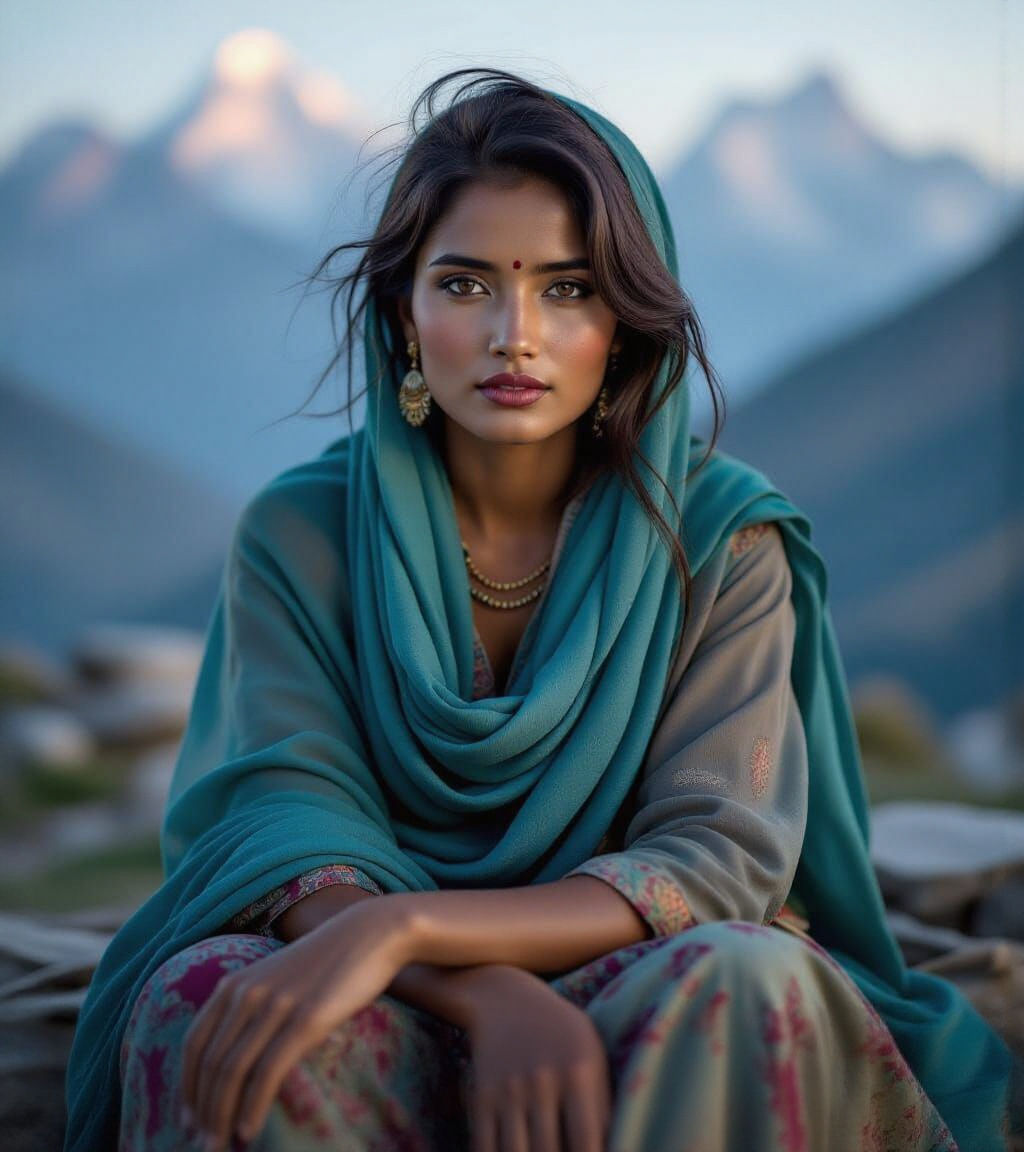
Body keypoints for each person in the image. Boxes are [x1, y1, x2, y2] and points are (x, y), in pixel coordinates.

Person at [63, 69, 1011, 1152]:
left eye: (567, 289)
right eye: (465, 284)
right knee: (211, 999)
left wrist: (410, 922)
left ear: (625, 322)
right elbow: (283, 823)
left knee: (746, 978)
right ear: (404, 314)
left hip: (639, 966)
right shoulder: (303, 532)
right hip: (385, 985)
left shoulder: (720, 541)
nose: (515, 334)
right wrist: (473, 986)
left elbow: (716, 854)